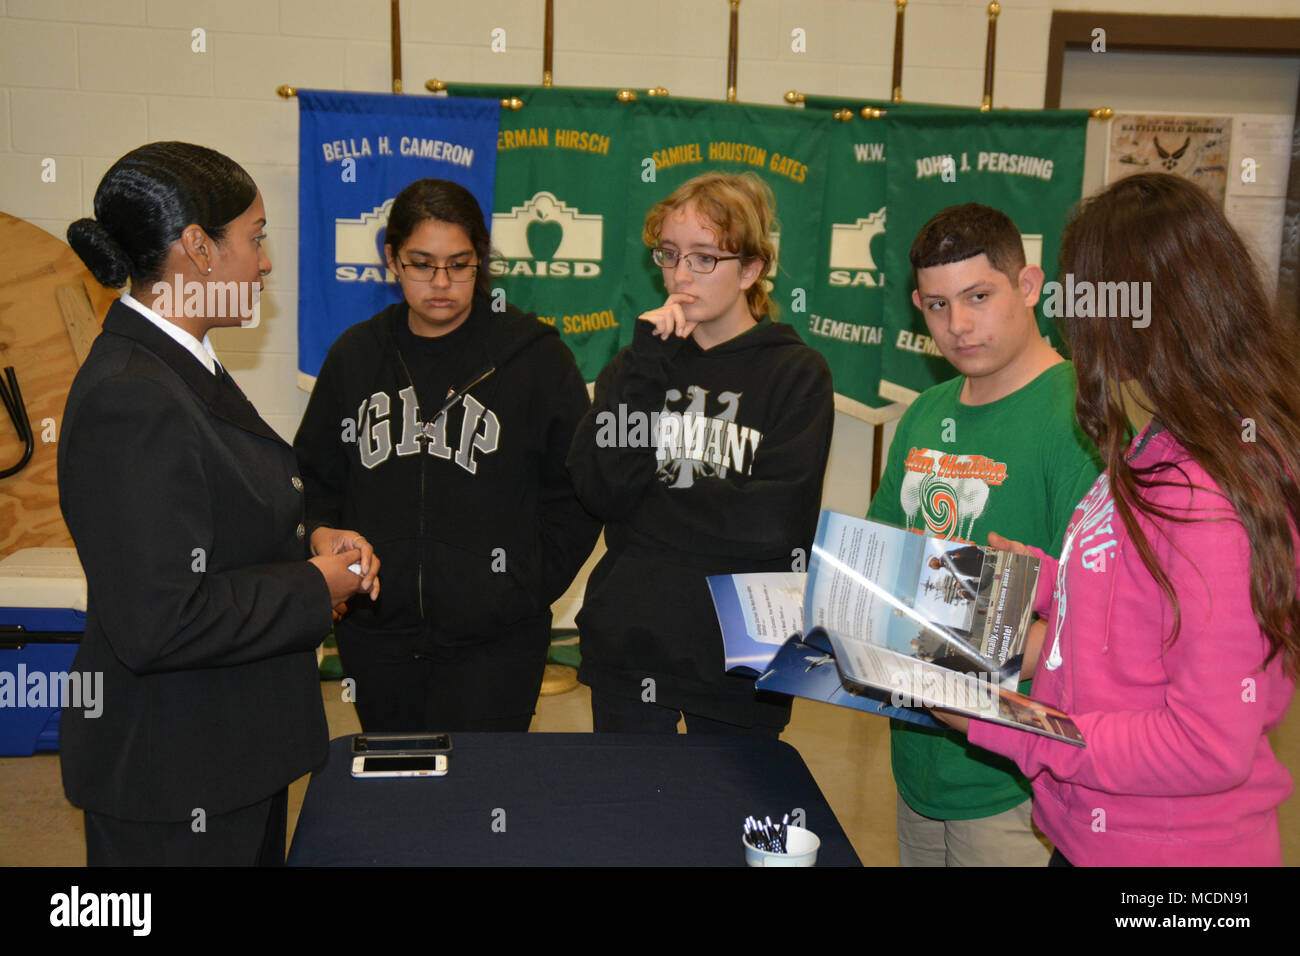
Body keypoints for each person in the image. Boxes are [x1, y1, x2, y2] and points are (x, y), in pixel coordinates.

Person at [940, 173, 1300, 866]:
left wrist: (1004, 721)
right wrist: (1039, 581)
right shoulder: (1168, 440)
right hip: (1090, 833)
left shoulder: (1211, 498)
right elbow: (1143, 600)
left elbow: (1207, 744)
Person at [59, 141, 377, 865]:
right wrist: (312, 587)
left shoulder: (181, 365)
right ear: (198, 249)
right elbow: (159, 621)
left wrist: (311, 543)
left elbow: (213, 525)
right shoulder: (133, 396)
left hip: (225, 755)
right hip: (172, 777)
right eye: (256, 238)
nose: (265, 262)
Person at [293, 178, 599, 733]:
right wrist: (329, 553)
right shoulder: (355, 356)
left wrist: (519, 590)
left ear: (480, 260)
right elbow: (313, 481)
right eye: (421, 264)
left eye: (459, 265)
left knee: (482, 804)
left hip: (497, 644)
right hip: (377, 637)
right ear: (391, 259)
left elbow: (576, 494)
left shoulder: (536, 358)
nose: (441, 284)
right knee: (397, 799)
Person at [866, 203, 1103, 866]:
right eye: (937, 306)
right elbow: (881, 564)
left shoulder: (1078, 417)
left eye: (978, 297)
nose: (959, 325)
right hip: (918, 754)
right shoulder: (925, 412)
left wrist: (947, 641)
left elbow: (1098, 626)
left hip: (1018, 778)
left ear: (1028, 287)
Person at [566, 171, 834, 736]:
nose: (681, 275)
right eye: (669, 254)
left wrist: (644, 509)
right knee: (631, 819)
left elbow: (772, 527)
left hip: (739, 657)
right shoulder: (635, 365)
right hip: (630, 646)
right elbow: (598, 490)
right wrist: (647, 368)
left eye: (704, 258)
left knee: (729, 820)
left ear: (752, 270)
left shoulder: (795, 373)